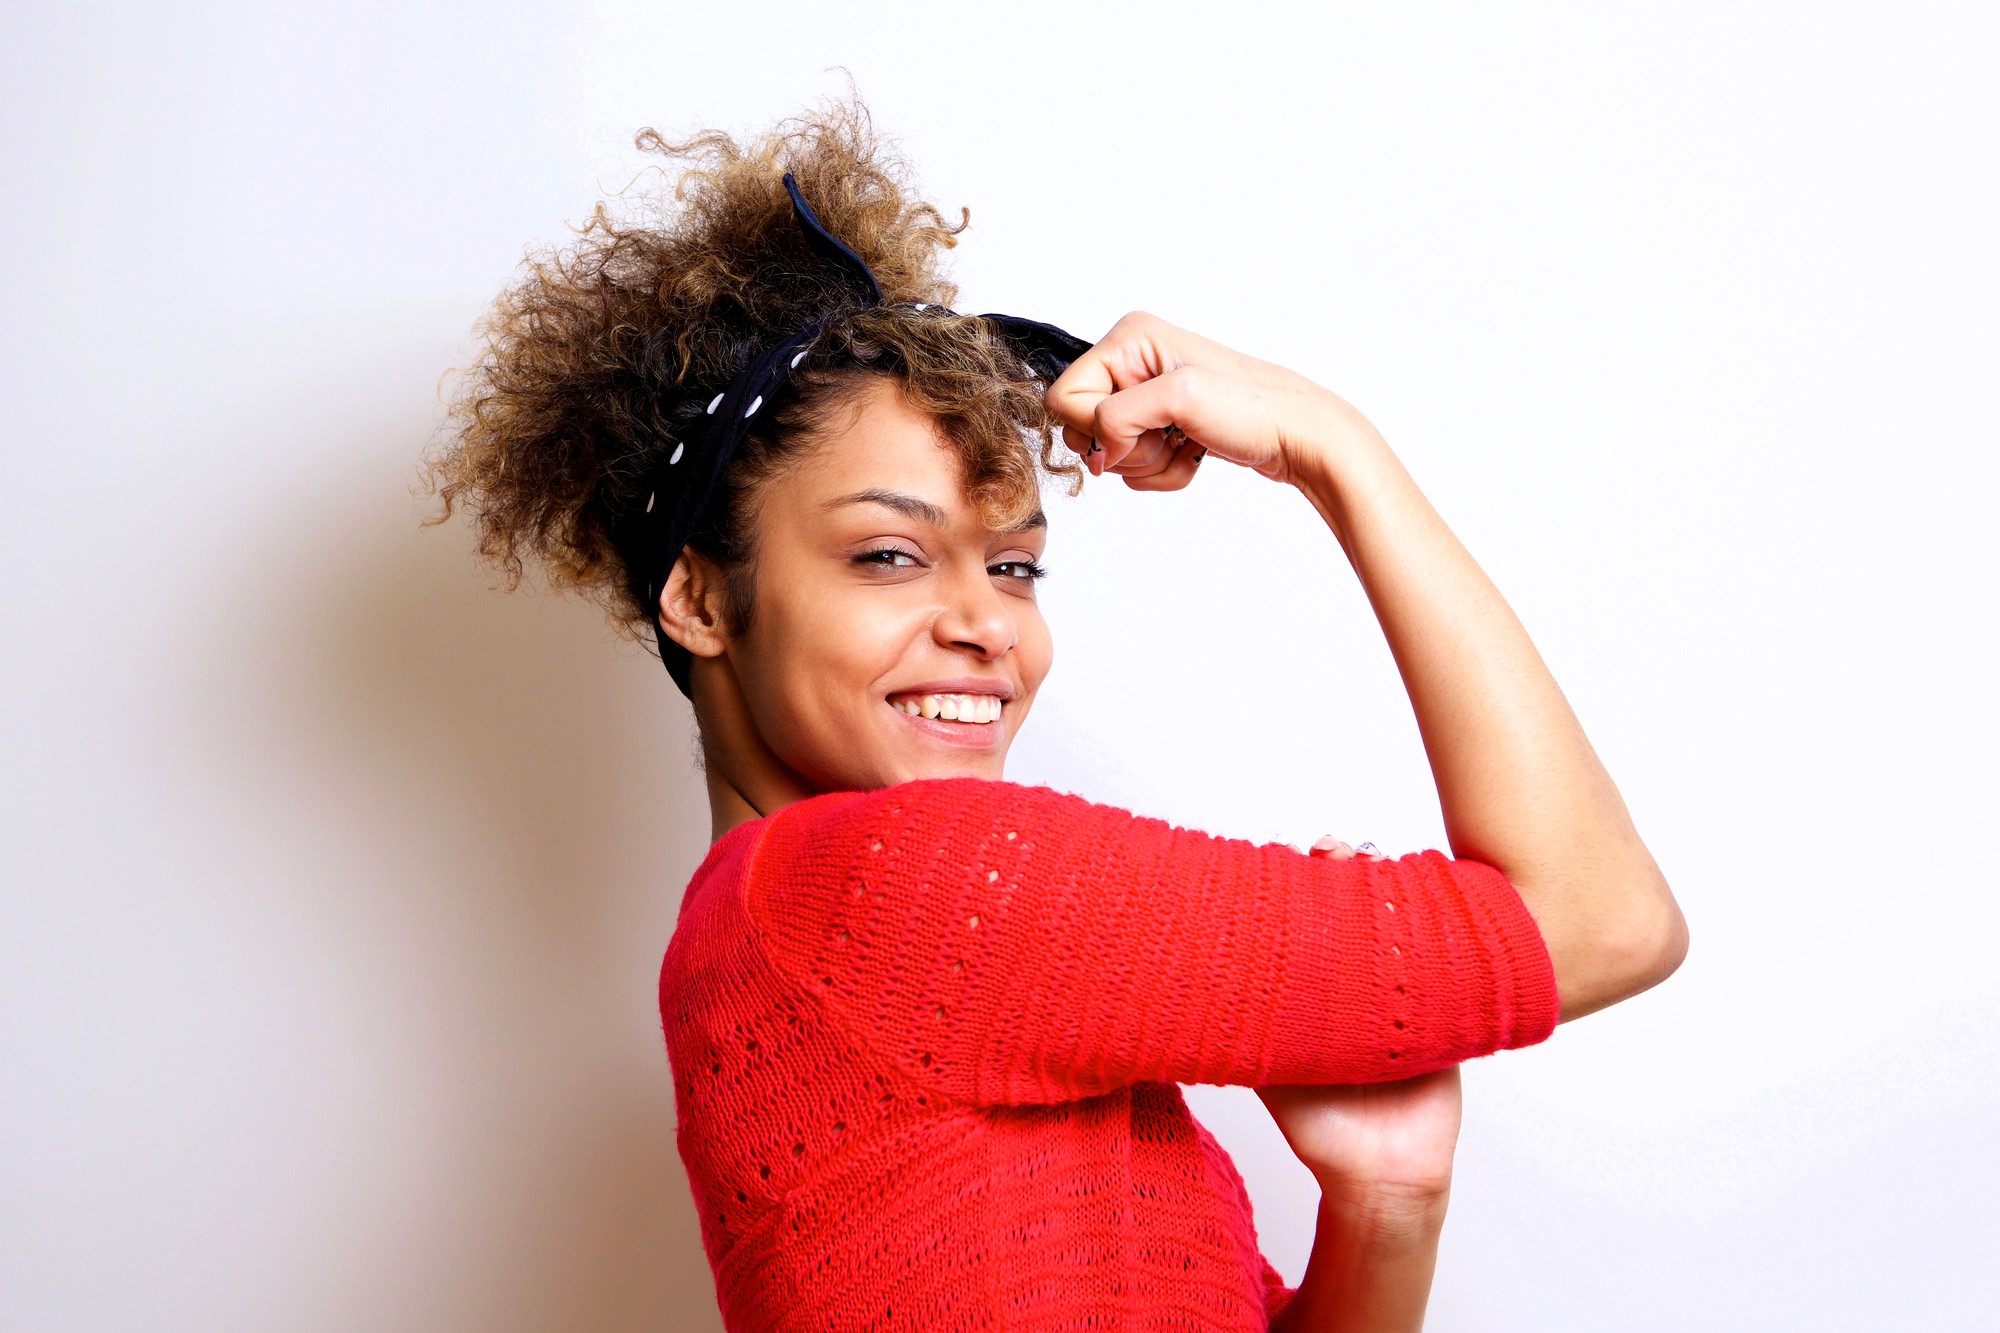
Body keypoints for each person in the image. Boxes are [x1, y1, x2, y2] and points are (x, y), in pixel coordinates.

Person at [421, 98, 1687, 1332]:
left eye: (1015, 566)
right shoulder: (890, 890)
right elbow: (1603, 920)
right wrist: (1327, 446)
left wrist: (1383, 1203)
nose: (987, 624)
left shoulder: (788, 940)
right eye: (886, 556)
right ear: (697, 596)